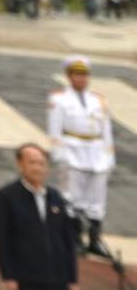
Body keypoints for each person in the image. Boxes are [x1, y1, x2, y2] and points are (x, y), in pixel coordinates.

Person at [0, 143, 79, 290]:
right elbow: (2, 240)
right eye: (32, 162)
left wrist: (72, 278)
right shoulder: (6, 196)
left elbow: (67, 240)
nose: (37, 168)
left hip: (58, 278)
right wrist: (8, 276)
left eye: (41, 163)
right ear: (20, 164)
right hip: (27, 277)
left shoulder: (55, 197)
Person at [48, 56, 115, 258]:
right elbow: (55, 129)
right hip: (72, 150)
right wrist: (59, 155)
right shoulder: (59, 99)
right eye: (77, 75)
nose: (82, 79)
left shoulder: (99, 100)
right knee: (72, 198)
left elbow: (106, 129)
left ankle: (95, 240)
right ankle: (75, 238)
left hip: (97, 152)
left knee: (97, 198)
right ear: (69, 76)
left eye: (85, 75)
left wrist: (109, 156)